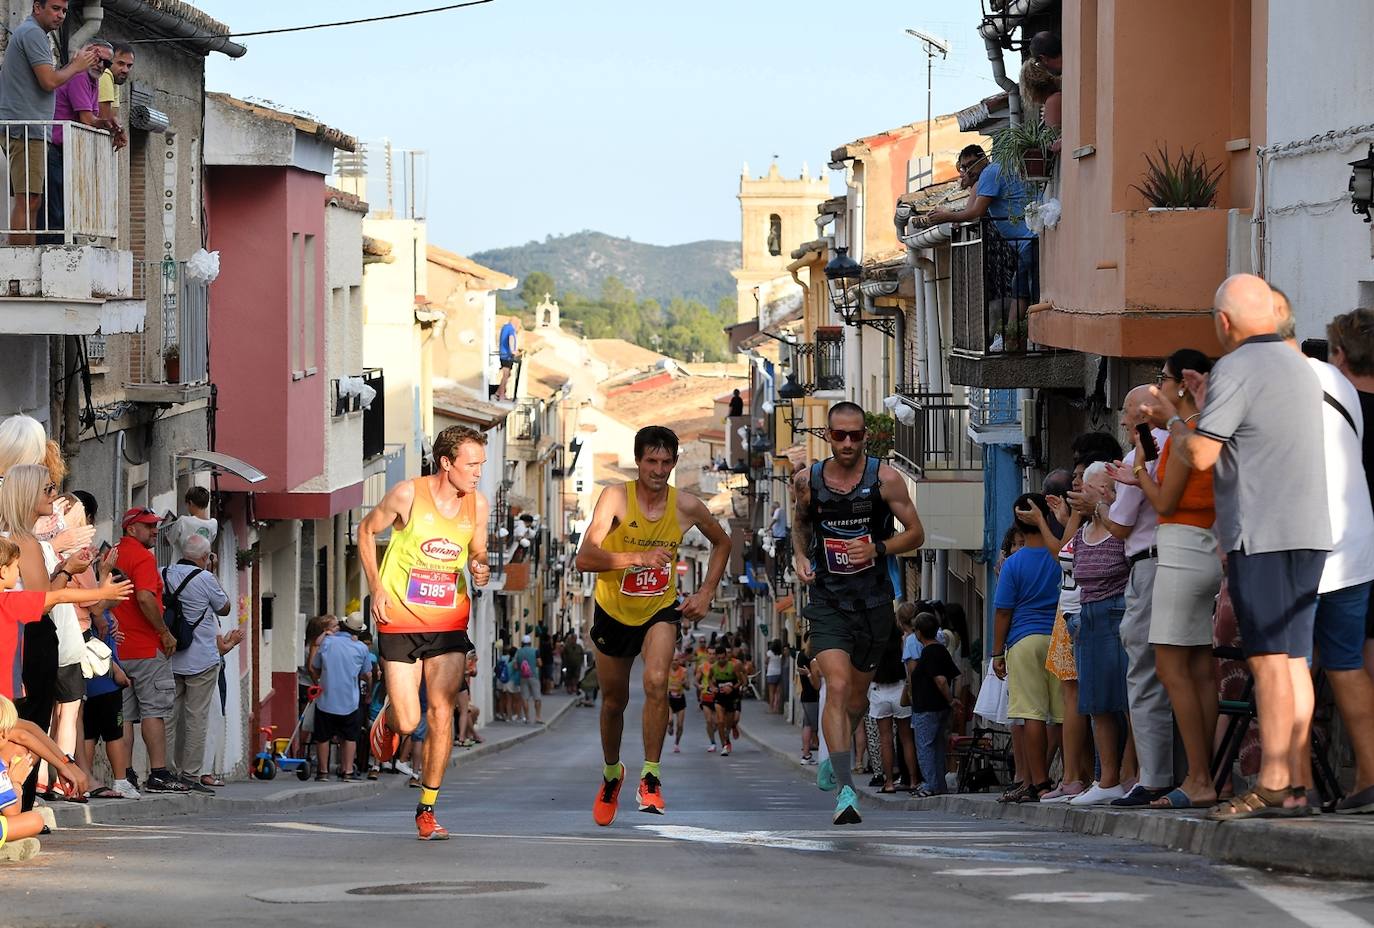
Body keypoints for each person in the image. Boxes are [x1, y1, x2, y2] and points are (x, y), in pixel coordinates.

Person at [1142, 273, 1331, 821]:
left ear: (1224, 324)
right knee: (1294, 660)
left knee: (1269, 662)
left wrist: (1179, 419)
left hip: (1260, 534)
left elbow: (1200, 456)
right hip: (1307, 530)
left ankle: (1274, 781)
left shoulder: (1237, 368)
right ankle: (1297, 784)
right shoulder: (1300, 366)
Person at [575, 425, 730, 824]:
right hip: (613, 611)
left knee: (657, 680)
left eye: (665, 462)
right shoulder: (615, 499)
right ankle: (612, 773)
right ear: (638, 462)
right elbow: (585, 558)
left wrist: (706, 593)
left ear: (675, 463)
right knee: (614, 701)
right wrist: (635, 559)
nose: (658, 470)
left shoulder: (687, 507)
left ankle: (651, 777)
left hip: (659, 608)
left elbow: (724, 542)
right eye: (651, 461)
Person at [792, 402, 925, 825]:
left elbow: (917, 534)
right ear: (827, 436)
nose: (847, 443)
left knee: (855, 701)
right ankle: (847, 791)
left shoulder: (886, 480)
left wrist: (878, 548)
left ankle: (838, 752)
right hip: (829, 602)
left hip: (873, 603)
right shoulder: (808, 481)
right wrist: (799, 556)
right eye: (839, 435)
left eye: (855, 435)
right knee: (838, 682)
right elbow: (800, 524)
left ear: (865, 435)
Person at [361, 425, 491, 840]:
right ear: (446, 462)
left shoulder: (478, 505)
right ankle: (390, 718)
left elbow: (478, 550)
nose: (477, 473)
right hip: (399, 619)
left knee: (441, 711)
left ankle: (427, 807)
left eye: (481, 465)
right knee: (409, 720)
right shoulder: (407, 494)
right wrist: (376, 588)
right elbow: (365, 531)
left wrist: (480, 567)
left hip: (449, 621)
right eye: (471, 465)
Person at [1108, 350, 1221, 809]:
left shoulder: (1184, 433)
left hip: (1182, 550)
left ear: (1182, 383)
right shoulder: (1210, 426)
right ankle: (1204, 773)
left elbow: (1167, 500)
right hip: (1207, 545)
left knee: (1172, 667)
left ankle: (1198, 777)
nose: (1159, 386)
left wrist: (1137, 472)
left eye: (1163, 378)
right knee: (1197, 668)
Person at [1277, 298, 1374, 815]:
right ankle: (1367, 779)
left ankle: (1297, 786)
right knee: (1349, 665)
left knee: (1293, 667)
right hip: (1360, 550)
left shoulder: (1311, 391)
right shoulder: (1342, 396)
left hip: (1315, 547)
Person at [918, 145, 1035, 354]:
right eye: (962, 167)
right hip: (1026, 241)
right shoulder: (986, 177)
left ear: (982, 159)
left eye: (969, 165)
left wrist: (947, 216)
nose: (967, 170)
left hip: (1028, 240)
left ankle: (1015, 341)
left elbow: (976, 212)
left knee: (1026, 293)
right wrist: (969, 188)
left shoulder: (990, 172)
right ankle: (1009, 340)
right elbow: (971, 210)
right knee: (1020, 292)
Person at [1062, 463, 1132, 806]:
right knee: (1096, 702)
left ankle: (1129, 774)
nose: (1080, 493)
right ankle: (1108, 778)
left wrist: (1102, 511)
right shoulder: (1083, 529)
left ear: (1104, 491)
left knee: (1126, 698)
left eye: (1087, 487)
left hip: (1115, 612)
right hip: (1087, 615)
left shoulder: (1117, 528)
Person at [0, 0, 98, 244]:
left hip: (28, 127)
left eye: (64, 10)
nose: (61, 16)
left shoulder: (33, 33)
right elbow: (49, 81)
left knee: (32, 199)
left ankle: (25, 255)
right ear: (37, 7)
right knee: (29, 199)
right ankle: (19, 264)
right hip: (25, 128)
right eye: (55, 8)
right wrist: (76, 66)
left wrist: (71, 66)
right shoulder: (33, 33)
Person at [991, 493, 1063, 803]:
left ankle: (1039, 782)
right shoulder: (1060, 554)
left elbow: (1003, 611)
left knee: (1032, 715)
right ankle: (1065, 777)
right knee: (1062, 715)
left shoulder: (1013, 563)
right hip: (1060, 638)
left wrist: (996, 652)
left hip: (1023, 640)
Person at [165, 534, 239, 792]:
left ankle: (167, 771)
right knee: (196, 719)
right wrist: (213, 572)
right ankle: (191, 774)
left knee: (169, 717)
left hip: (171, 655)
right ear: (206, 558)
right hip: (202, 659)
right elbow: (225, 607)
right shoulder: (206, 578)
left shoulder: (164, 572)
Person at [47, 40, 121, 235]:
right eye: (97, 59)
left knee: (62, 208)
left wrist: (110, 126)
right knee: (55, 211)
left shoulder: (93, 80)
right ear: (85, 54)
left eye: (106, 63)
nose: (100, 65)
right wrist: (107, 124)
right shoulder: (79, 75)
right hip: (55, 148)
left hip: (67, 149)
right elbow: (88, 119)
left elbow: (95, 119)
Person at [909, 611, 959, 796]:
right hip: (941, 709)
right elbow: (952, 676)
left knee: (925, 747)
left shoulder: (929, 653)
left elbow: (941, 680)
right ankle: (939, 784)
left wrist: (950, 699)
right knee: (938, 748)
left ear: (919, 632)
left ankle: (930, 785)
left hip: (927, 708)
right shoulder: (942, 651)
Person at [867, 626, 915, 794]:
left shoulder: (875, 647)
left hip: (880, 692)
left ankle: (888, 783)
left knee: (885, 740)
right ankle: (913, 780)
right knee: (906, 739)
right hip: (899, 690)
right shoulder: (903, 643)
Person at [705, 644, 743, 757]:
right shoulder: (713, 668)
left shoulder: (733, 667)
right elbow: (709, 679)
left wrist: (732, 688)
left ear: (726, 656)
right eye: (719, 658)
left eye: (723, 658)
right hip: (719, 697)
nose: (721, 660)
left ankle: (727, 736)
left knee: (729, 724)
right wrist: (713, 688)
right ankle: (724, 746)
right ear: (716, 657)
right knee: (720, 721)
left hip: (731, 697)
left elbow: (740, 681)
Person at [165, 486, 217, 563]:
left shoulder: (183, 521)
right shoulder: (213, 523)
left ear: (191, 503)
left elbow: (169, 540)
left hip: (181, 567)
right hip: (201, 568)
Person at [98, 41, 134, 150]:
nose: (125, 70)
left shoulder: (115, 80)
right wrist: (120, 130)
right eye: (120, 63)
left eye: (129, 65)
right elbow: (106, 119)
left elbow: (112, 116)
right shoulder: (106, 74)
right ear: (109, 61)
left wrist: (119, 129)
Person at [796, 636, 820, 764]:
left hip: (805, 694)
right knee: (813, 726)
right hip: (814, 696)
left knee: (807, 725)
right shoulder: (815, 658)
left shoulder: (801, 655)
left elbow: (799, 670)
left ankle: (806, 754)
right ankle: (806, 754)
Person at [513, 634, 541, 723]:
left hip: (523, 677)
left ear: (522, 643)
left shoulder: (519, 652)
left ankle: (527, 717)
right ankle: (538, 717)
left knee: (525, 698)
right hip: (534, 676)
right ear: (530, 643)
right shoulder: (535, 651)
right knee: (537, 697)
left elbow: (515, 665)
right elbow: (539, 663)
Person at [667, 654, 688, 753]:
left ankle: (676, 743)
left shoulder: (684, 671)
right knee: (670, 720)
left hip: (680, 699)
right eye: (672, 660)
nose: (674, 662)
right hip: (669, 699)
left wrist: (684, 683)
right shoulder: (666, 670)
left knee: (680, 725)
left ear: (679, 661)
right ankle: (670, 725)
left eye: (676, 660)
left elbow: (688, 687)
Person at [497, 317, 519, 400]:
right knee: (506, 375)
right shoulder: (511, 329)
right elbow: (511, 339)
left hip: (503, 354)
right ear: (516, 323)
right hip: (507, 355)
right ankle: (501, 395)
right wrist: (513, 351)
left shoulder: (504, 327)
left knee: (507, 374)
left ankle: (498, 392)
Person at [764, 639, 785, 713]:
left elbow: (766, 661)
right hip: (779, 673)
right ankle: (777, 708)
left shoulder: (769, 653)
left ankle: (771, 708)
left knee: (771, 692)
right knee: (778, 692)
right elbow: (782, 662)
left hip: (771, 673)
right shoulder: (781, 654)